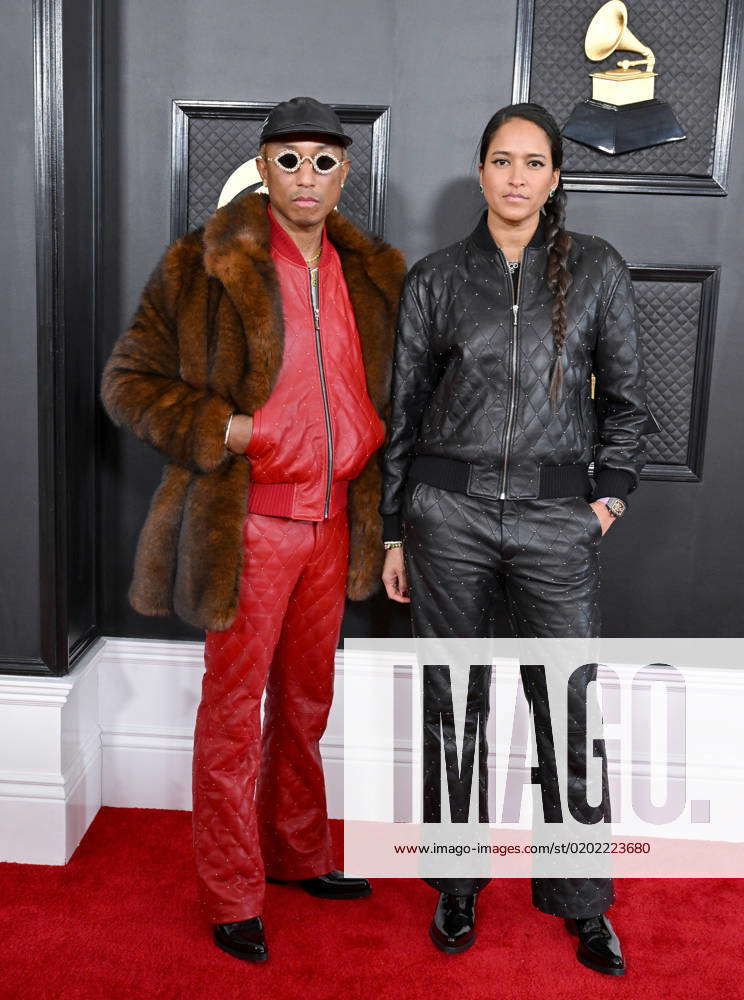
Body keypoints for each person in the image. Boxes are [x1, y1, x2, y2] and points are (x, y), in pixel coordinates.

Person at [100, 96, 405, 963]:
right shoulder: (204, 265)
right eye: (289, 159)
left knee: (306, 705)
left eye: (323, 160)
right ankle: (233, 891)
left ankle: (298, 853)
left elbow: (391, 394)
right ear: (262, 168)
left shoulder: (376, 273)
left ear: (346, 174)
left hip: (336, 521)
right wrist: (228, 430)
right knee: (235, 712)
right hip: (251, 526)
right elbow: (128, 381)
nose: (306, 176)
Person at [380, 102, 648, 976]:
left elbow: (629, 407)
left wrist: (602, 503)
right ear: (483, 171)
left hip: (553, 520)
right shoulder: (436, 279)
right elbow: (404, 413)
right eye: (502, 160)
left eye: (535, 162)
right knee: (453, 707)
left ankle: (583, 901)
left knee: (568, 708)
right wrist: (392, 530)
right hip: (446, 517)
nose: (518, 176)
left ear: (556, 178)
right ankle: (457, 886)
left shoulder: (598, 271)